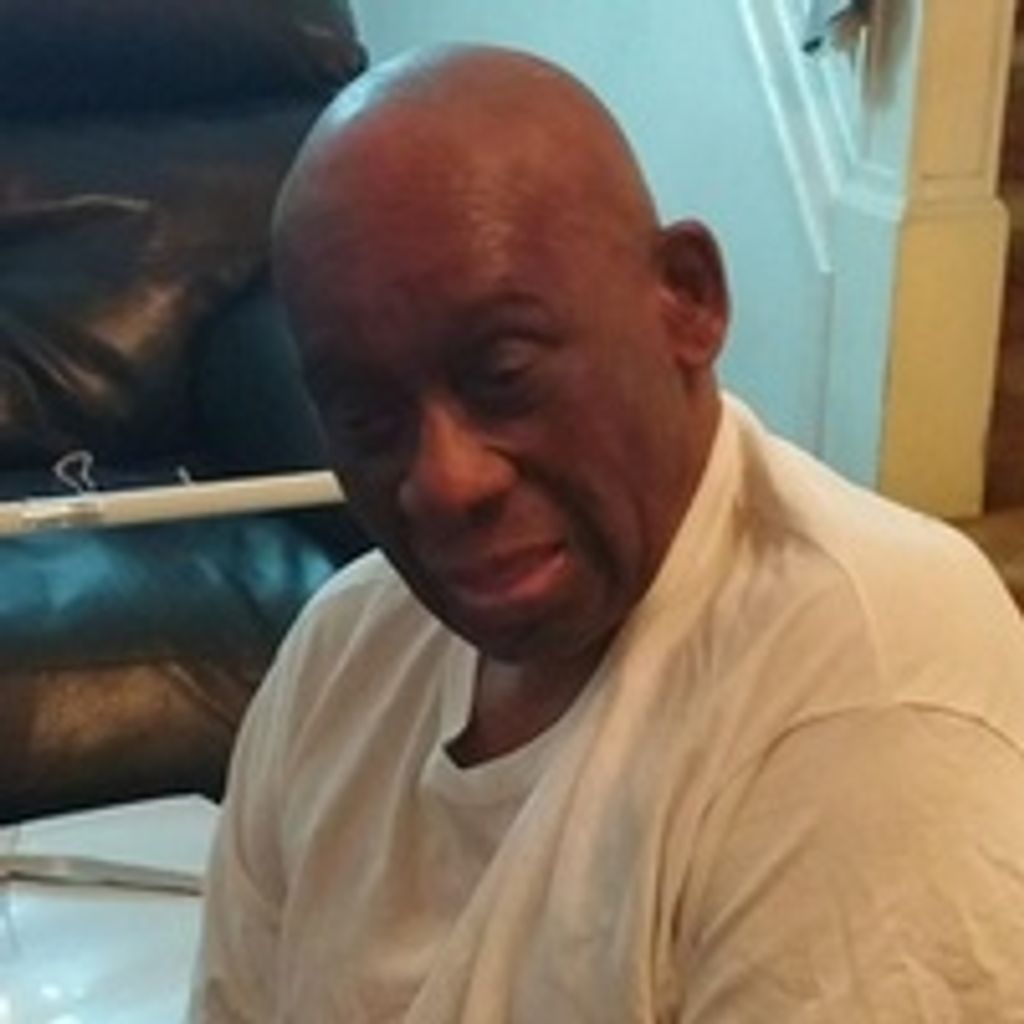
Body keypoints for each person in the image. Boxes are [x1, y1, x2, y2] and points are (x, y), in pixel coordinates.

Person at [189, 44, 1024, 1022]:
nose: (446, 480)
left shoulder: (871, 689)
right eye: (367, 417)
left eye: (503, 374)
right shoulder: (343, 649)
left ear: (687, 299)